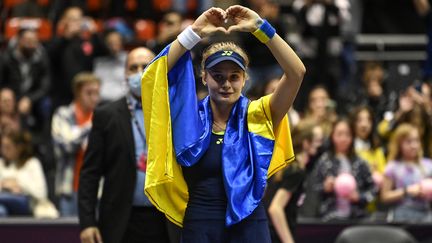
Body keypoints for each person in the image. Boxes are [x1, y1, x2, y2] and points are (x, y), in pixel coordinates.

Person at [141, 5, 305, 242]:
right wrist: (194, 31)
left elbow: (297, 72)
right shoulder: (188, 118)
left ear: (245, 78)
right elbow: (153, 77)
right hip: (200, 226)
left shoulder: (259, 115)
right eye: (217, 76)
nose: (226, 84)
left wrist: (262, 28)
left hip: (250, 226)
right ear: (204, 77)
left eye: (234, 77)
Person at [78, 48, 173, 243]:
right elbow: (90, 173)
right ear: (125, 74)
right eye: (133, 68)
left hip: (165, 219)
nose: (140, 72)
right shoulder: (107, 115)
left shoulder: (173, 110)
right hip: (120, 220)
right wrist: (87, 222)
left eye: (146, 66)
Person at [51, 72, 101, 216]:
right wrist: (90, 126)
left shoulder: (102, 116)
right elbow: (66, 146)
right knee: (67, 237)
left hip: (96, 191)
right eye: (89, 93)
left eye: (97, 93)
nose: (94, 98)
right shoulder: (63, 115)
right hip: (69, 189)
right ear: (77, 93)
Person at [267, 121, 324, 243]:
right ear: (305, 143)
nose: (320, 145)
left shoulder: (286, 165)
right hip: (274, 236)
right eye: (317, 141)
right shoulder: (296, 171)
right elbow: (275, 208)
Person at [311, 118, 376, 221]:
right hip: (329, 216)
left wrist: (359, 197)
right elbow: (313, 188)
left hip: (357, 217)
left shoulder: (360, 162)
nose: (343, 139)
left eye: (347, 134)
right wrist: (325, 187)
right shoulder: (324, 161)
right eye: (339, 134)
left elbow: (373, 188)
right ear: (332, 136)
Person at [381, 124, 432, 222]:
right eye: (409, 142)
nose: (414, 145)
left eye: (416, 140)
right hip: (402, 215)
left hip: (426, 215)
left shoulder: (428, 165)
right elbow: (385, 196)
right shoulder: (392, 167)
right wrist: (406, 191)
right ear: (399, 144)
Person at [0, 130, 48, 217]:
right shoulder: (1, 164)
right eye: (2, 147)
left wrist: (19, 184)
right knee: (1, 211)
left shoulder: (32, 163)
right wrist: (5, 186)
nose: (3, 151)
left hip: (27, 204)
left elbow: (41, 194)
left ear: (19, 148)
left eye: (7, 147)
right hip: (3, 203)